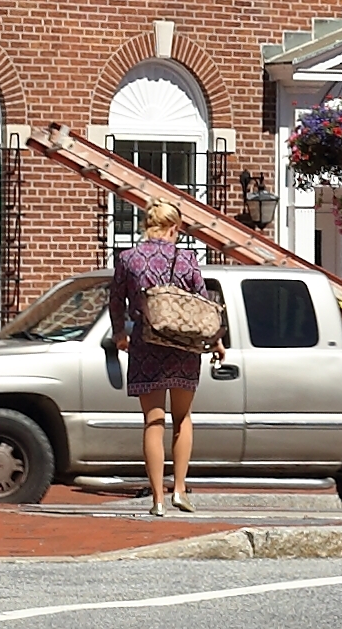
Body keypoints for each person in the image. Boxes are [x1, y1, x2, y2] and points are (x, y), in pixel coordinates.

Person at [109, 197, 224, 515]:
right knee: (182, 418)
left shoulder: (128, 258)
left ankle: (157, 498)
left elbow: (116, 300)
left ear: (149, 225)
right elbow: (202, 303)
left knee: (152, 422)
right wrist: (216, 341)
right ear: (175, 227)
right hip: (183, 347)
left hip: (146, 345)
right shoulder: (186, 259)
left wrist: (120, 333)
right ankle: (180, 490)